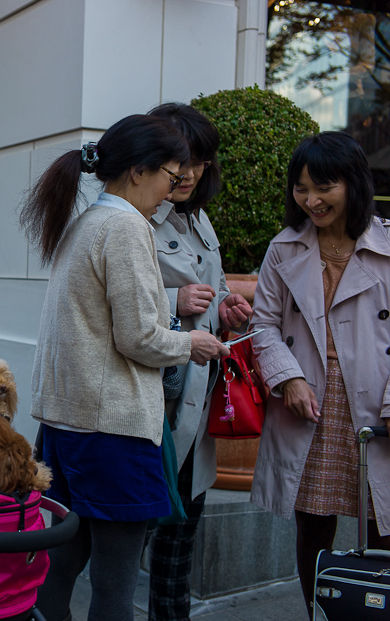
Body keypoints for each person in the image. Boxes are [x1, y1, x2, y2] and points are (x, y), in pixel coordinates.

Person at [21, 114, 228, 621]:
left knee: (61, 564)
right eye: (169, 176)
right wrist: (191, 342)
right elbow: (138, 337)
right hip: (111, 429)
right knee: (115, 584)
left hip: (68, 424)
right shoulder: (126, 226)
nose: (172, 190)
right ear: (138, 171)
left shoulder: (89, 221)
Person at [250, 131, 390, 616]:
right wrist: (287, 377)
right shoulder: (282, 250)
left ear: (352, 183)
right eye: (301, 187)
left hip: (377, 407)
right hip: (309, 405)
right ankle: (321, 613)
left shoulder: (388, 246)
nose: (310, 199)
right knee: (313, 528)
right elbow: (262, 323)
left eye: (323, 186)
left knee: (385, 528)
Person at [145, 103, 252, 620]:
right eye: (177, 159)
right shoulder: (131, 216)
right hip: (151, 411)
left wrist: (228, 305)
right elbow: (96, 302)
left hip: (195, 407)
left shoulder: (199, 217)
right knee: (122, 543)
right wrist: (173, 304)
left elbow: (213, 287)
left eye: (199, 160)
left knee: (178, 548)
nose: (187, 172)